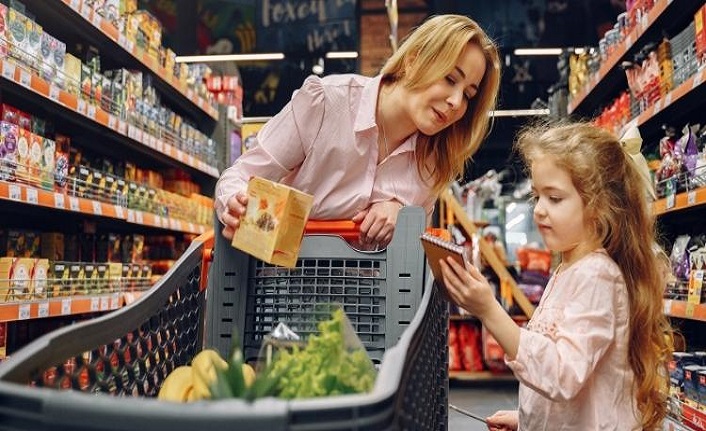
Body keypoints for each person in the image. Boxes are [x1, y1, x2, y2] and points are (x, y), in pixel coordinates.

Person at [439, 122, 673, 430]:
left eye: (555, 198)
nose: (538, 210)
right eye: (537, 196)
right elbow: (565, 385)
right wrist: (528, 421)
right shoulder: (569, 269)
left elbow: (562, 375)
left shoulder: (597, 276)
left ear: (599, 207)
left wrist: (489, 310)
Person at [215, 14, 501, 249]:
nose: (455, 102)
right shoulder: (326, 103)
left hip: (366, 310)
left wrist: (403, 220)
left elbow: (409, 265)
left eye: (468, 95)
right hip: (280, 295)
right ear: (413, 61)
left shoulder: (433, 162)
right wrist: (238, 205)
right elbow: (239, 176)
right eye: (450, 78)